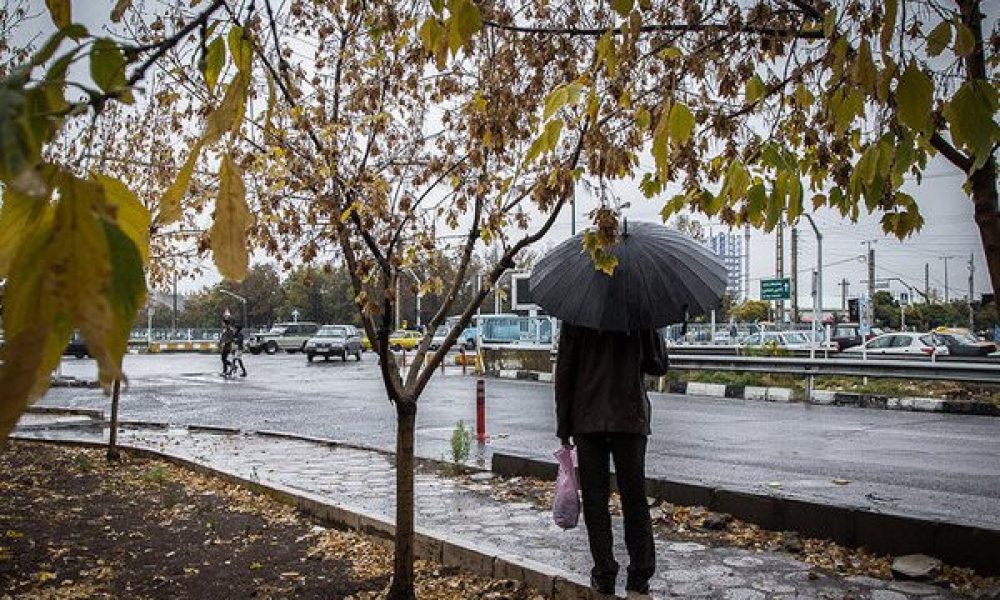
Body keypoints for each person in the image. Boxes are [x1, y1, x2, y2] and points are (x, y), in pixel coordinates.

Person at [555, 323, 669, 598]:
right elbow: (659, 365)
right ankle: (639, 575)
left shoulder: (577, 315)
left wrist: (564, 426)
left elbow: (565, 372)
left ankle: (604, 573)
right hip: (629, 418)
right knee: (634, 498)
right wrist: (650, 328)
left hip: (587, 419)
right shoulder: (637, 311)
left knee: (595, 500)